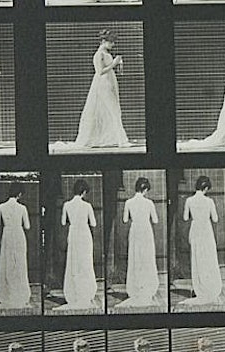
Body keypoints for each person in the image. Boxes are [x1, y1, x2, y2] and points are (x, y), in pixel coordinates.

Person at [73, 29, 131, 148]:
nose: (113, 44)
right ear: (104, 41)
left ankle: (116, 138)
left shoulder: (106, 54)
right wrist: (114, 64)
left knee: (114, 110)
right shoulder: (99, 54)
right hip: (103, 84)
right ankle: (122, 140)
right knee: (113, 110)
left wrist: (118, 65)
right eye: (111, 42)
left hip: (110, 81)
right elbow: (100, 72)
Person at [116, 177, 161, 308]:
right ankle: (146, 288)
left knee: (135, 259)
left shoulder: (128, 202)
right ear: (145, 189)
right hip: (146, 231)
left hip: (135, 231)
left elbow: (125, 220)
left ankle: (136, 288)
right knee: (146, 259)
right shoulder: (149, 203)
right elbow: (156, 220)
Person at [55, 180, 98, 310]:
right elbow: (94, 223)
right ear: (84, 192)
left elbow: (63, 222)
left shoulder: (66, 205)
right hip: (84, 235)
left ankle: (74, 293)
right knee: (85, 264)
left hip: (73, 235)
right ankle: (85, 293)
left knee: (73, 264)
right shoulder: (87, 206)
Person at [180, 176, 223, 305]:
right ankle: (209, 287)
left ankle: (200, 288)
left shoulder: (189, 200)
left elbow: (185, 218)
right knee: (208, 259)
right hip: (206, 230)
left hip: (195, 230)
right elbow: (215, 219)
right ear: (205, 188)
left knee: (197, 260)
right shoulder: (209, 201)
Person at [0, 182, 31, 309]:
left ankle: (8, 294)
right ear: (19, 194)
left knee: (7, 264)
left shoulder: (1, 206)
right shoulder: (22, 208)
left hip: (7, 235)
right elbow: (27, 226)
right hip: (19, 235)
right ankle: (19, 294)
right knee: (19, 265)